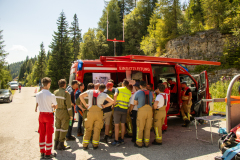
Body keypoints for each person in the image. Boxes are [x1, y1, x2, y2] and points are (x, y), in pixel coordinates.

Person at [80, 84, 114, 150]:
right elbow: (112, 101)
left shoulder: (90, 91)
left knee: (88, 128)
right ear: (104, 89)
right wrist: (105, 106)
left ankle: (85, 145)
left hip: (90, 112)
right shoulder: (104, 95)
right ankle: (95, 145)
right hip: (99, 112)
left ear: (98, 88)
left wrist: (85, 104)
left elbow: (80, 96)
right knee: (97, 129)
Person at [35, 77, 57, 159]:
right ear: (48, 84)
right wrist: (52, 106)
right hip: (48, 115)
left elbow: (39, 103)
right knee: (49, 134)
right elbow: (56, 105)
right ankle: (48, 153)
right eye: (50, 84)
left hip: (41, 115)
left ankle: (42, 152)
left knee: (42, 133)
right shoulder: (51, 95)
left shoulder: (38, 94)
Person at [54, 79, 73, 150]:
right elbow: (69, 106)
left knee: (58, 128)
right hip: (64, 112)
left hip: (57, 111)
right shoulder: (66, 93)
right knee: (64, 128)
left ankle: (56, 144)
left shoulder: (55, 92)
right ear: (64, 84)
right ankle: (61, 145)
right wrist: (71, 115)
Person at [112, 80, 132, 146]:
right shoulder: (129, 92)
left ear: (122, 83)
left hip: (117, 108)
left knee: (117, 125)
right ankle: (122, 139)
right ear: (127, 85)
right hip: (125, 109)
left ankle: (116, 140)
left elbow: (115, 96)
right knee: (123, 125)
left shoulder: (118, 88)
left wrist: (114, 103)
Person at [134, 81, 153, 148]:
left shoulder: (138, 93)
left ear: (140, 86)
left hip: (141, 111)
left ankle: (139, 143)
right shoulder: (150, 93)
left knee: (140, 127)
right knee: (148, 127)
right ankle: (146, 143)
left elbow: (135, 103)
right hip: (150, 111)